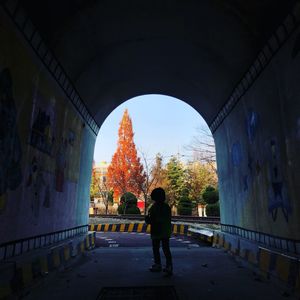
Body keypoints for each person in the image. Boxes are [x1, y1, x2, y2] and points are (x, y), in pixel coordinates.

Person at [145, 187, 173, 276]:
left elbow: (151, 220)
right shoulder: (167, 207)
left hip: (156, 231)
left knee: (156, 249)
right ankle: (169, 266)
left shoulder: (153, 208)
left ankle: (158, 265)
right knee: (166, 249)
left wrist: (148, 220)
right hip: (165, 232)